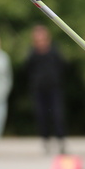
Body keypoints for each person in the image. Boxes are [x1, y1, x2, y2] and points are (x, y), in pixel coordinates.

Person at [25, 24, 67, 155]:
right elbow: (27, 69)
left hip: (54, 89)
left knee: (57, 115)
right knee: (41, 115)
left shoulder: (54, 51)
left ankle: (61, 141)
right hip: (39, 89)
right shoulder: (32, 53)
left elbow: (63, 66)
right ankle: (45, 141)